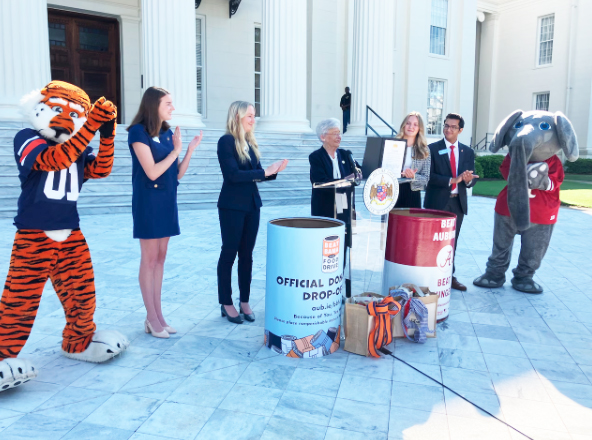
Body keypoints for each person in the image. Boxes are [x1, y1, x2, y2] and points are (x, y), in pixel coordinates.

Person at [127, 87, 203, 338]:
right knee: (149, 260)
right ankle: (150, 317)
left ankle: (158, 316)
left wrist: (188, 150)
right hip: (148, 202)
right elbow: (151, 171)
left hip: (168, 201)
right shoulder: (138, 132)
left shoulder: (167, 132)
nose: (172, 108)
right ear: (153, 105)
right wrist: (175, 151)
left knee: (160, 258)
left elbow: (176, 173)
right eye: (168, 103)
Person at [217, 101, 288, 324]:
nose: (253, 120)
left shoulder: (249, 142)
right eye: (249, 115)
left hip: (251, 205)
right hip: (231, 206)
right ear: (237, 116)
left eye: (254, 116)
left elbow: (255, 174)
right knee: (229, 253)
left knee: (247, 255)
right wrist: (264, 171)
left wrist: (272, 171)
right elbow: (233, 175)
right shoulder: (226, 141)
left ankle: (244, 300)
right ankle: (226, 302)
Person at [424, 113, 478, 291]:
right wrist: (452, 180)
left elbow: (472, 179)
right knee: (432, 242)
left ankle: (448, 277)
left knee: (451, 243)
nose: (448, 129)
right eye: (446, 125)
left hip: (457, 204)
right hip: (436, 203)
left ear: (460, 130)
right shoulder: (432, 149)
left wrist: (468, 179)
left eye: (453, 127)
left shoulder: (467, 152)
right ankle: (429, 277)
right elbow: (428, 177)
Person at [309, 118, 361, 248]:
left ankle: (342, 267)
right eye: (335, 133)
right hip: (324, 206)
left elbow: (359, 171)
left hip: (343, 202)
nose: (339, 137)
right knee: (326, 244)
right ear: (323, 137)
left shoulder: (345, 154)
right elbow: (320, 181)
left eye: (340, 133)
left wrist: (358, 174)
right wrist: (345, 181)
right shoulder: (316, 157)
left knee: (342, 240)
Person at [393, 111, 431, 208]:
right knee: (392, 223)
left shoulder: (424, 150)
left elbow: (426, 179)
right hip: (392, 191)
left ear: (419, 129)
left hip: (412, 193)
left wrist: (413, 176)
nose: (411, 127)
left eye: (415, 124)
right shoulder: (392, 144)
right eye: (408, 123)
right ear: (403, 125)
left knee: (410, 223)